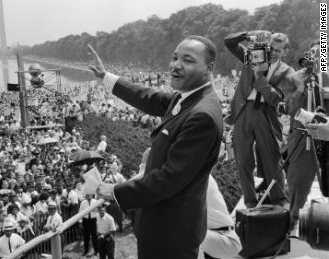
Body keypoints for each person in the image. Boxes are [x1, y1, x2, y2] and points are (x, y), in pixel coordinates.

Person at [90, 35, 223, 258]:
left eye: (188, 60)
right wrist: (107, 78)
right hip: (164, 225)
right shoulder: (188, 97)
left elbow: (169, 178)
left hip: (171, 233)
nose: (176, 65)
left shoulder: (202, 115)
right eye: (174, 58)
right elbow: (148, 97)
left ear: (208, 68)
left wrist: (116, 191)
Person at [224, 30, 294, 208]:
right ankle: (250, 202)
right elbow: (229, 42)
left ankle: (279, 201)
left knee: (272, 159)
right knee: (243, 160)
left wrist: (259, 77)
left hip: (266, 114)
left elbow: (276, 98)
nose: (273, 52)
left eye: (278, 50)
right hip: (243, 110)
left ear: (285, 52)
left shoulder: (287, 72)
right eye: (271, 48)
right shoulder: (251, 56)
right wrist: (248, 34)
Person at [283, 41, 329, 227]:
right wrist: (302, 88)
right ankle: (293, 217)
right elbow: (289, 108)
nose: (317, 56)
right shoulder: (293, 78)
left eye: (321, 53)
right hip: (302, 134)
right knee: (299, 177)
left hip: (326, 133)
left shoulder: (327, 77)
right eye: (313, 53)